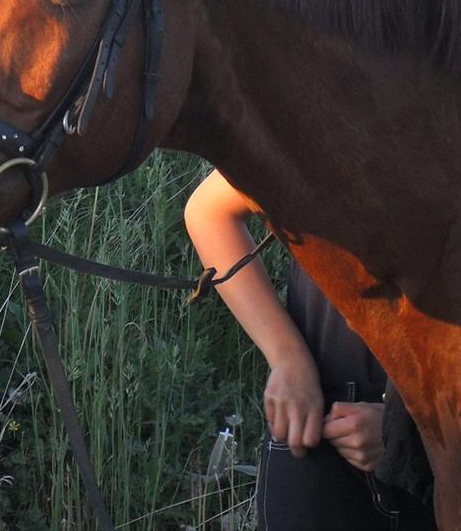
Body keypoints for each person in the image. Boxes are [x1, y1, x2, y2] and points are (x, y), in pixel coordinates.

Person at [184, 170, 437, 531]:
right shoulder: (326, 115)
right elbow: (210, 211)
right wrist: (288, 358)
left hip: (444, 451)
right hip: (317, 427)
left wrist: (405, 435)